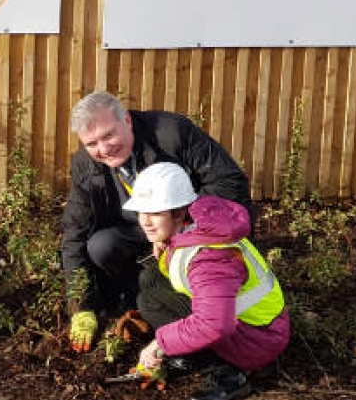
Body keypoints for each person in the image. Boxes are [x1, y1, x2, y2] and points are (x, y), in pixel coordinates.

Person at [63, 91, 253, 353]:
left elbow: (229, 182)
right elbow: (75, 233)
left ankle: (184, 302)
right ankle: (141, 299)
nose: (103, 149)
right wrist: (82, 306)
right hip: (140, 231)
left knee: (199, 291)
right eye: (92, 143)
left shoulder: (171, 133)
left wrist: (182, 231)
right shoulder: (84, 166)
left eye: (108, 135)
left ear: (127, 121)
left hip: (193, 229)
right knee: (101, 245)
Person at [123, 162, 289, 400]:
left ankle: (228, 373)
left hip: (258, 339)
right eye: (141, 212)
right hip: (256, 324)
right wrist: (169, 242)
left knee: (151, 300)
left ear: (179, 212)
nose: (145, 221)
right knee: (151, 280)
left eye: (156, 213)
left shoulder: (210, 257)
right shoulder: (202, 223)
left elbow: (214, 324)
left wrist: (159, 345)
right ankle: (193, 352)